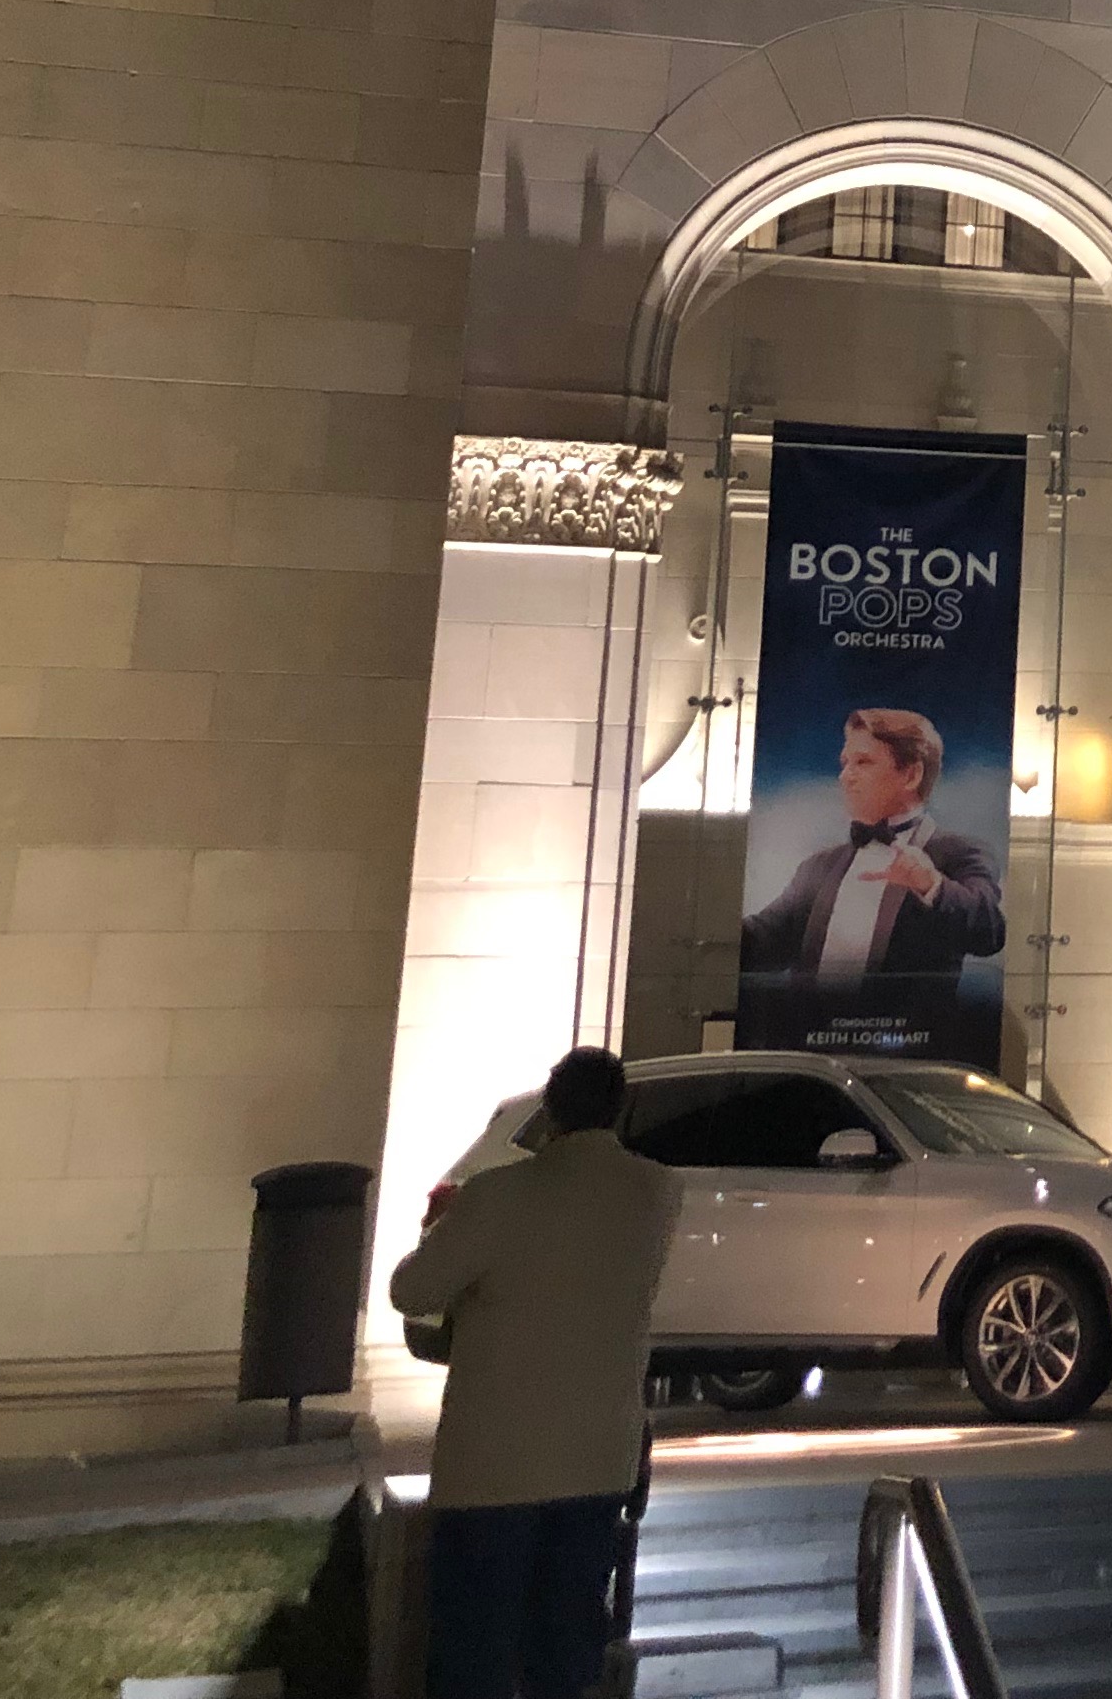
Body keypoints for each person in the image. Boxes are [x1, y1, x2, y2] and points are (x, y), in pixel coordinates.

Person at [389, 1047, 681, 1699]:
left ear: (550, 1109)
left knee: (475, 1647)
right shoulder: (659, 1194)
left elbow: (413, 1290)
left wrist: (443, 1237)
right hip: (600, 1454)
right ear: (621, 1107)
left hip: (496, 1462)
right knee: (568, 1641)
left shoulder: (497, 1196)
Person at [730, 708, 1007, 1039]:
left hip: (912, 1049)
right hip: (813, 1046)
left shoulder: (958, 853)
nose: (845, 776)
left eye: (863, 762)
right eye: (845, 763)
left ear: (911, 775)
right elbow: (766, 941)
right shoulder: (820, 865)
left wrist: (930, 883)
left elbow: (989, 932)